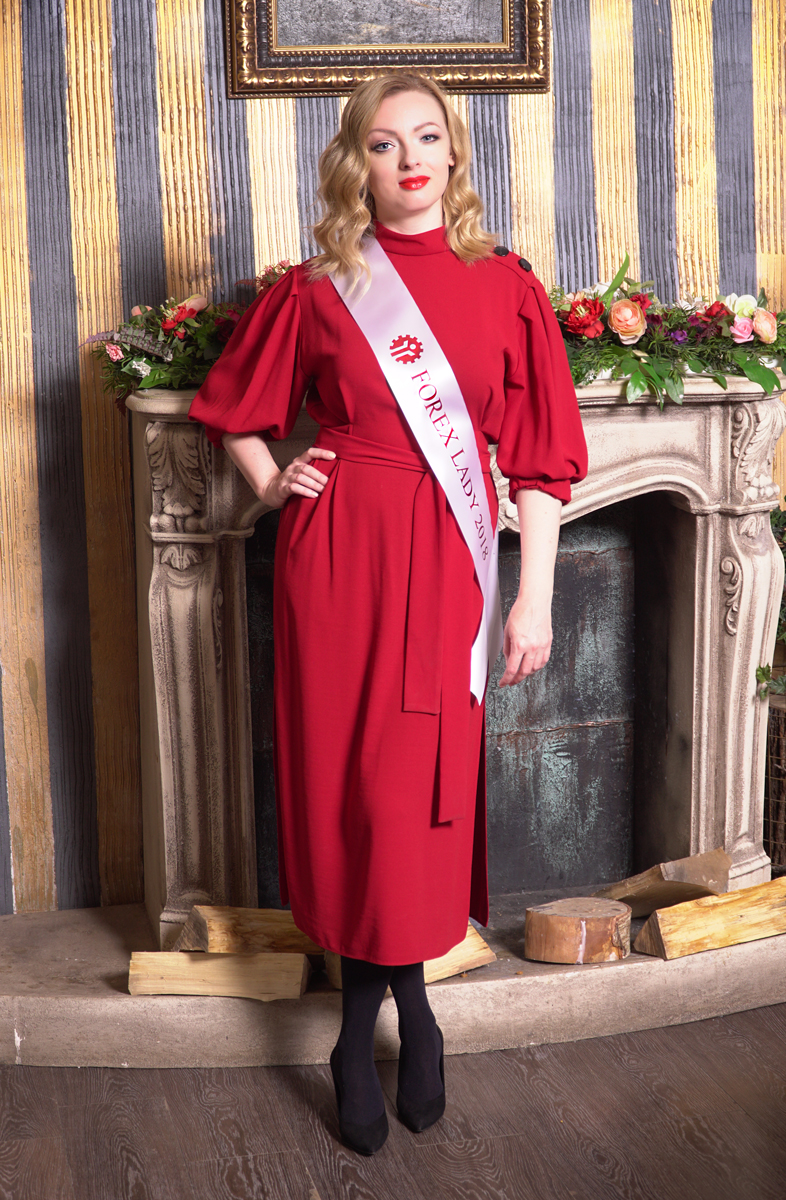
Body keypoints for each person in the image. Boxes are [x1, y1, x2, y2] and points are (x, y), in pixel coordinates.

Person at [188, 72, 587, 1155]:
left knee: (417, 790)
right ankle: (398, 1014)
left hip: (451, 556)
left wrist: (536, 599)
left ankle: (383, 1014)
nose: (409, 160)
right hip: (338, 560)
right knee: (349, 789)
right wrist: (274, 481)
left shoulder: (506, 286)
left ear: (454, 153)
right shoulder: (321, 286)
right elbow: (232, 409)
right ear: (355, 163)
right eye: (382, 143)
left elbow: (542, 463)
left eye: (426, 138)